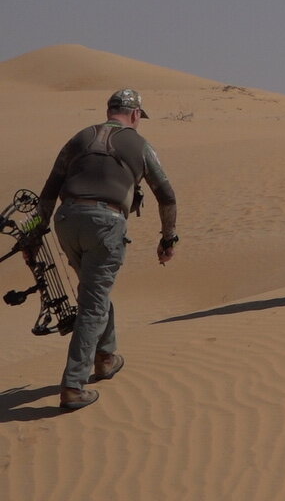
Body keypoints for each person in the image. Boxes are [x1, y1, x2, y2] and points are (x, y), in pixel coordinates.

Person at [37, 89, 179, 410]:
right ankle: (74, 385)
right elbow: (167, 195)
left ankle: (106, 357)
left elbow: (49, 189)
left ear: (109, 110)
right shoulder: (139, 145)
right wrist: (168, 239)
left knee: (94, 293)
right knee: (93, 304)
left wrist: (35, 234)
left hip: (66, 219)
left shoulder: (80, 138)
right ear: (135, 114)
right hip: (104, 222)